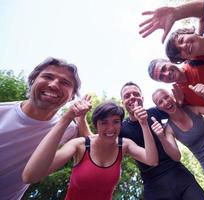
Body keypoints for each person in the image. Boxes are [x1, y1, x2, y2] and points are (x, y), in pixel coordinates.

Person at [22, 100, 158, 200]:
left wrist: (144, 124)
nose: (111, 128)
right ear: (96, 125)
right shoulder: (80, 145)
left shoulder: (124, 145)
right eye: (104, 122)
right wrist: (67, 118)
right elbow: (30, 176)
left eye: (116, 122)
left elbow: (151, 160)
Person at [0, 57, 87, 200]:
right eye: (48, 77)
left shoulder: (68, 129)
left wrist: (81, 119)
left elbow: (93, 146)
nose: (53, 85)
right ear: (33, 80)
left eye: (65, 82)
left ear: (72, 96)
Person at [120, 82, 204, 199]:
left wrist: (180, 99)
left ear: (142, 98)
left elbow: (177, 107)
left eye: (136, 94)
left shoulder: (154, 112)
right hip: (153, 184)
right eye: (127, 96)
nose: (132, 97)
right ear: (122, 102)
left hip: (178, 172)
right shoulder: (121, 128)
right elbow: (101, 141)